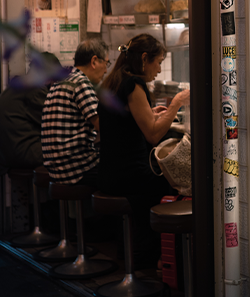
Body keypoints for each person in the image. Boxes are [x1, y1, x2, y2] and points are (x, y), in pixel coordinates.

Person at [99, 34, 190, 270]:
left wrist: (153, 114)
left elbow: (126, 123)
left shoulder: (114, 80)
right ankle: (158, 259)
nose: (159, 70)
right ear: (144, 58)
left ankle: (133, 252)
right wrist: (176, 103)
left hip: (109, 172)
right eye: (158, 62)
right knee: (171, 185)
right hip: (129, 176)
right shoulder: (134, 83)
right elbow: (152, 135)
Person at [41, 38, 110, 188]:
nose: (106, 70)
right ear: (94, 61)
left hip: (56, 169)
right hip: (75, 170)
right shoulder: (81, 82)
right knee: (129, 174)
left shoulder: (63, 80)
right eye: (106, 63)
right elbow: (103, 127)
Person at [0, 52, 61, 177]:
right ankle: (54, 196)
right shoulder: (34, 88)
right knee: (69, 154)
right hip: (19, 151)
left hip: (6, 152)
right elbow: (55, 121)